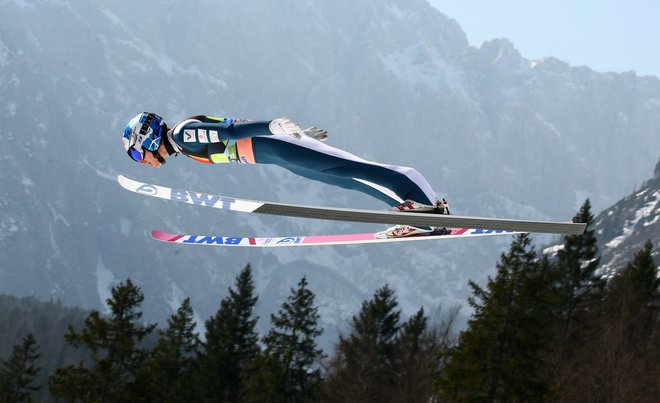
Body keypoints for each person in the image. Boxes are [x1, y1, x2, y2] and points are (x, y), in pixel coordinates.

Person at [121, 112, 449, 237]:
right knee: (343, 177)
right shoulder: (181, 142)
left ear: (148, 139)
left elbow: (230, 131)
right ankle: (418, 211)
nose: (141, 160)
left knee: (351, 170)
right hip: (275, 153)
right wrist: (296, 136)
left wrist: (272, 127)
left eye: (137, 153)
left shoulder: (181, 135)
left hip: (273, 145)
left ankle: (424, 207)